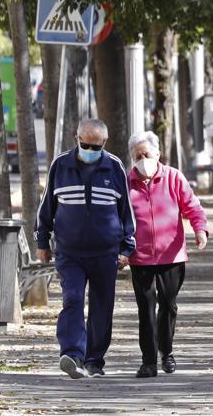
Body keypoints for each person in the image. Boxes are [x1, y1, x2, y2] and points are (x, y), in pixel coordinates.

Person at [35, 118, 136, 379]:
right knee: (73, 300)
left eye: (95, 145)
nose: (89, 149)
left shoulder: (114, 167)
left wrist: (127, 248)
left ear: (104, 142)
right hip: (70, 252)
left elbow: (126, 212)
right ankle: (72, 354)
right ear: (76, 138)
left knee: (102, 307)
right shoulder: (61, 165)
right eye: (85, 144)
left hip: (105, 252)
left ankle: (94, 361)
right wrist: (42, 242)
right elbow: (47, 208)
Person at [126, 131, 209, 378]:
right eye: (137, 156)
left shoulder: (174, 178)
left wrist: (200, 230)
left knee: (168, 304)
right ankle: (148, 361)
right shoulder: (126, 182)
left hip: (171, 255)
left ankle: (167, 351)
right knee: (146, 308)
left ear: (158, 154)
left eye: (146, 154)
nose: (143, 160)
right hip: (140, 257)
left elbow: (193, 207)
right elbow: (117, 218)